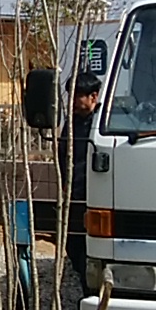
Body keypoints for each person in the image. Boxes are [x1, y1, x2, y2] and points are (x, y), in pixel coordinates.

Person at [60, 70, 103, 294]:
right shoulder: (71, 123)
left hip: (99, 197)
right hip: (75, 196)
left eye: (77, 96)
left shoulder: (103, 124)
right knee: (74, 248)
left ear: (93, 97)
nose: (72, 102)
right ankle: (88, 295)